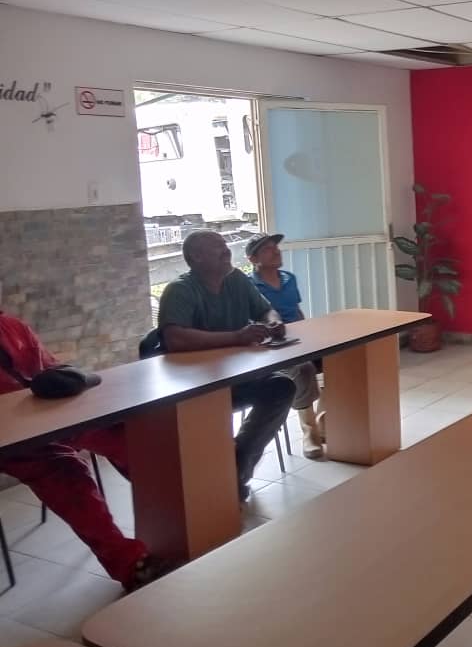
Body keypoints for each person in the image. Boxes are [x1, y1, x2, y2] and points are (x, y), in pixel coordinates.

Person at [0, 312, 169, 591]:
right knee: (66, 475)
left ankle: (187, 516)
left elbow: (50, 368)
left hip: (52, 421)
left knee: (127, 435)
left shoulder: (10, 326)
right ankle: (131, 564)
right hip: (15, 444)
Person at [157, 230, 295, 500]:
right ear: (197, 257)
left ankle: (237, 463)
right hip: (197, 387)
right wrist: (235, 337)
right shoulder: (179, 290)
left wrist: (273, 322)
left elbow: (265, 309)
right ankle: (231, 474)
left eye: (225, 246)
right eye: (218, 247)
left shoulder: (237, 280)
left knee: (282, 386)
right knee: (212, 410)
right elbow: (175, 339)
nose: (227, 251)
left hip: (239, 376)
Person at [246, 232, 324, 459]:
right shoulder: (249, 286)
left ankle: (324, 420)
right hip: (271, 346)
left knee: (342, 355)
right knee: (304, 369)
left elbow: (297, 311)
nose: (276, 252)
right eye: (268, 249)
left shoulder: (289, 278)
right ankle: (310, 431)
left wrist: (310, 332)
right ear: (253, 259)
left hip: (298, 338)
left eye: (276, 247)